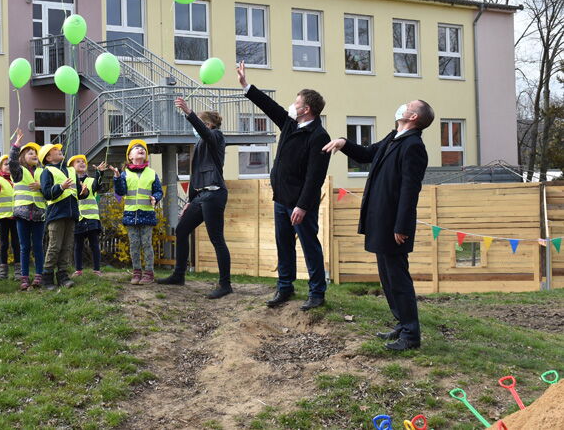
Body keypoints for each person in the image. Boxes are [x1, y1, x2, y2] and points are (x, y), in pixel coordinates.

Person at [323, 100, 434, 351]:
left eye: (408, 105)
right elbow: (367, 154)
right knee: (387, 277)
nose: (402, 106)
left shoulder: (413, 146)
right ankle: (401, 324)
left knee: (398, 278)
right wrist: (344, 142)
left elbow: (409, 189)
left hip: (394, 224)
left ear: (413, 116)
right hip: (380, 218)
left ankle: (411, 335)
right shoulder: (395, 136)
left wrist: (402, 226)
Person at [237, 61, 331, 311]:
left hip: (301, 205)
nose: (292, 105)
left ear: (306, 109)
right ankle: (285, 287)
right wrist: (247, 86)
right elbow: (271, 108)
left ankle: (317, 292)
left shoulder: (319, 137)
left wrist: (301, 206)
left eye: (296, 102)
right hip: (281, 200)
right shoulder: (291, 124)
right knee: (284, 245)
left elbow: (315, 177)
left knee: (310, 246)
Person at [158, 98, 231, 299]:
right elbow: (196, 173)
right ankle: (178, 275)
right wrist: (190, 200)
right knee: (182, 230)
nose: (195, 128)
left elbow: (206, 134)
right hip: (201, 195)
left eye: (199, 123)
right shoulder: (199, 143)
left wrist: (189, 112)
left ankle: (225, 285)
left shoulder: (216, 136)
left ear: (208, 124)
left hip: (215, 194)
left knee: (216, 238)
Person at [112, 140, 163, 285]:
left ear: (146, 155)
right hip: (130, 215)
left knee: (146, 243)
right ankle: (136, 272)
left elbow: (158, 191)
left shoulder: (152, 173)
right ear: (130, 156)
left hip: (147, 214)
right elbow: (120, 191)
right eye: (137, 148)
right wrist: (116, 177)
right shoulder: (124, 174)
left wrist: (156, 198)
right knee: (134, 244)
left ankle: (149, 273)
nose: (141, 149)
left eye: (143, 149)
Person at [39, 143, 81, 291]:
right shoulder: (47, 171)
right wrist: (61, 187)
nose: (59, 150)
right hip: (56, 214)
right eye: (55, 150)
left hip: (72, 214)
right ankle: (47, 277)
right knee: (55, 246)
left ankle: (63, 275)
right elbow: (46, 193)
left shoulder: (71, 170)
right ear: (48, 157)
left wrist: (84, 192)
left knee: (67, 246)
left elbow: (79, 192)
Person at [9, 130, 46, 290]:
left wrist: (42, 186)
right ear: (22, 157)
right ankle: (24, 277)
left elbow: (49, 189)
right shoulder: (19, 172)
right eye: (30, 153)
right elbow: (11, 162)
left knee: (38, 246)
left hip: (39, 214)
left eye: (36, 153)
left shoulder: (42, 172)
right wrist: (16, 145)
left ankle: (39, 275)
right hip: (22, 214)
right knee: (24, 246)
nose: (34, 155)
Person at [69, 155, 109, 277]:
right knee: (78, 246)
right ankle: (78, 270)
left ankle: (97, 269)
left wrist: (99, 173)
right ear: (71, 167)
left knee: (94, 244)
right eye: (78, 162)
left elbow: (97, 185)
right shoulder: (70, 182)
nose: (82, 163)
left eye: (83, 162)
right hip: (78, 218)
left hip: (92, 218)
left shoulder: (91, 180)